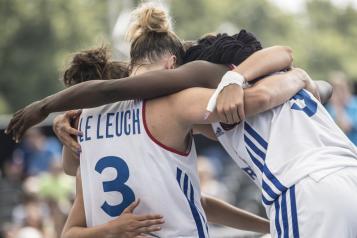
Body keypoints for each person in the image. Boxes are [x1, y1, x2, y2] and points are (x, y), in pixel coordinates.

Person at [5, 4, 329, 238]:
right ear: (174, 63)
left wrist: (57, 114)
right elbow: (259, 95)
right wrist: (299, 78)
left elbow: (71, 178)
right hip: (306, 180)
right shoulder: (178, 103)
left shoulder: (83, 127)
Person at [326, 71, 357, 145]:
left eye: (342, 89)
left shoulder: (355, 104)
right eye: (336, 90)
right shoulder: (329, 108)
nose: (339, 93)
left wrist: (338, 107)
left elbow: (346, 127)